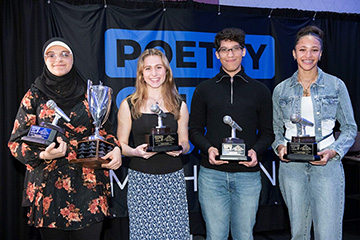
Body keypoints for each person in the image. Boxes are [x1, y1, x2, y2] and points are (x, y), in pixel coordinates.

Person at [8, 38, 122, 240]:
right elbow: (16, 143)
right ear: (44, 60)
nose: (58, 59)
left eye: (64, 54)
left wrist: (115, 149)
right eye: (51, 55)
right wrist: (43, 154)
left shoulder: (91, 93)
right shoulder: (34, 95)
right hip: (48, 189)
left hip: (89, 186)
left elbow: (108, 131)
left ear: (72, 58)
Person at [272, 25, 357, 240]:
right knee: (298, 232)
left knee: (328, 234)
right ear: (294, 53)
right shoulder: (281, 89)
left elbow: (349, 128)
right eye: (302, 49)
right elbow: (275, 130)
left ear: (321, 54)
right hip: (292, 167)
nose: (308, 55)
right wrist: (280, 147)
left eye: (314, 50)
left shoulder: (336, 86)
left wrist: (334, 152)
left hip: (327, 165)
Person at [189, 28, 275, 239]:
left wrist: (255, 151)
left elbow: (268, 133)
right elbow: (194, 131)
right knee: (215, 235)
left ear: (244, 52)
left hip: (248, 177)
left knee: (244, 236)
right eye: (224, 50)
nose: (230, 55)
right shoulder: (204, 89)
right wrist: (208, 149)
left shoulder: (260, 90)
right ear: (217, 54)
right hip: (212, 176)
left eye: (235, 49)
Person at [117, 48, 190, 239]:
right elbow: (121, 145)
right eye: (148, 69)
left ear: (167, 71)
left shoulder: (179, 104)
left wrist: (180, 148)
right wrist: (135, 152)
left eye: (159, 67)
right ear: (141, 74)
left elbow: (185, 142)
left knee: (175, 234)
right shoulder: (128, 104)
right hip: (142, 180)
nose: (154, 73)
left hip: (172, 179)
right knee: (144, 235)